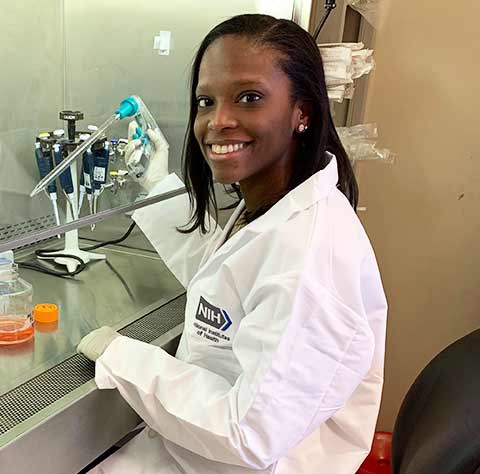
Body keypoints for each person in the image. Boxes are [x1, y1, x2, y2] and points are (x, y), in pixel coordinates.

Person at [77, 14, 387, 474]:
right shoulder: (275, 206)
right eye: (206, 101)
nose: (217, 121)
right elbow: (228, 276)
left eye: (249, 98)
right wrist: (156, 183)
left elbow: (249, 432)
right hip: (198, 454)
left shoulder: (310, 258)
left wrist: (122, 357)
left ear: (302, 111)